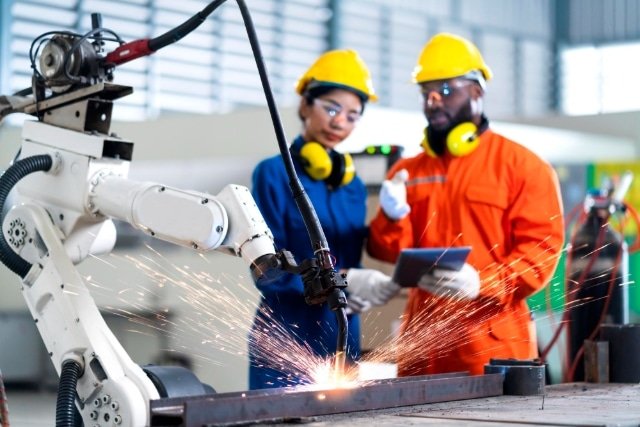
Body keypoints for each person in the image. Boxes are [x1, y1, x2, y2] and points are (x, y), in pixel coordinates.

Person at [367, 33, 565, 376]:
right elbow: (387, 251)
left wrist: (484, 283)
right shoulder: (407, 171)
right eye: (425, 92)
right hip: (421, 344)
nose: (432, 101)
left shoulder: (523, 166)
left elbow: (541, 250)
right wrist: (391, 215)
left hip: (490, 344)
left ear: (477, 91)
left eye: (445, 90)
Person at [249, 49, 399, 389]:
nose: (339, 122)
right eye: (331, 108)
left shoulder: (353, 185)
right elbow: (266, 271)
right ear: (305, 105)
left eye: (352, 115)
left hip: (341, 336)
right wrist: (340, 280)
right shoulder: (273, 174)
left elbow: (353, 259)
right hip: (284, 338)